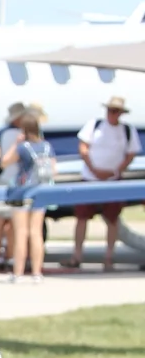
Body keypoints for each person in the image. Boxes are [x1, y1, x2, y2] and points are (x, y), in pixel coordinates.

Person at [72, 94, 136, 269]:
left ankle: (109, 256)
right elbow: (83, 147)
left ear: (121, 113)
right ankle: (77, 255)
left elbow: (131, 154)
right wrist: (93, 168)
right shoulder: (95, 125)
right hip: (90, 177)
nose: (111, 114)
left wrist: (117, 170)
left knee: (112, 218)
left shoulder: (127, 131)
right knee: (82, 217)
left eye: (115, 111)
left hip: (113, 179)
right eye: (109, 110)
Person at [0, 106, 49, 279]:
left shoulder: (23, 148)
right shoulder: (46, 147)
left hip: (23, 190)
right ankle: (37, 272)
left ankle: (18, 272)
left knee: (21, 232)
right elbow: (54, 168)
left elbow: (4, 162)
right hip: (41, 190)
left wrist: (16, 143)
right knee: (36, 232)